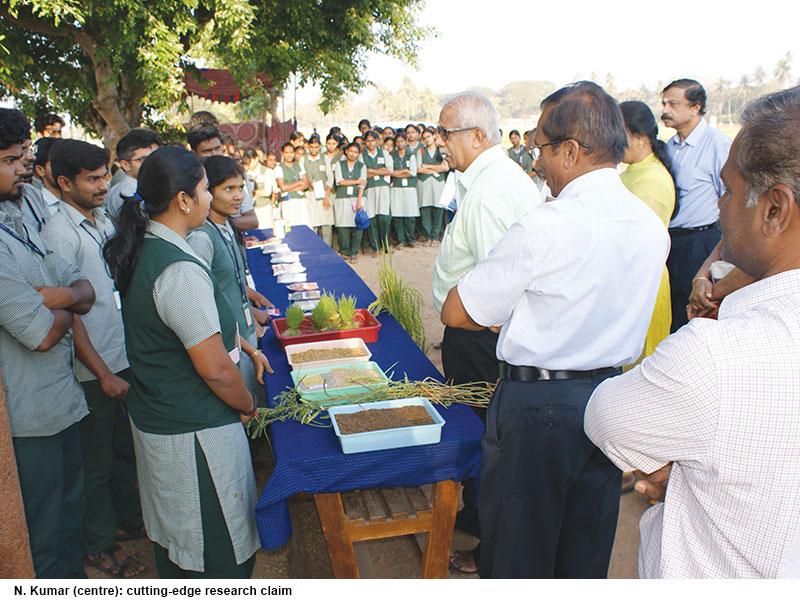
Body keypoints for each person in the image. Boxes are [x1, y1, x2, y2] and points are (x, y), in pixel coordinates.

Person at [441, 82, 668, 578]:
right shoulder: (650, 226)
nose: (536, 160)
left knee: (519, 551)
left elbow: (457, 312)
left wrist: (521, 306)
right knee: (585, 547)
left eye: (541, 148)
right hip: (611, 397)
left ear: (570, 150)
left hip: (537, 407)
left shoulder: (547, 225)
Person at [585, 87, 800, 578]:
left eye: (726, 190)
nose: (719, 209)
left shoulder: (716, 354)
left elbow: (605, 416)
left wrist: (677, 470)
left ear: (775, 210)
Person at [103, 147, 260, 577]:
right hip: (195, 434)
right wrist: (247, 404)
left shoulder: (149, 246)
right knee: (216, 554)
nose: (211, 198)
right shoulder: (178, 269)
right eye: (207, 189)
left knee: (178, 548)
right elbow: (213, 368)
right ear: (184, 201)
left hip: (163, 421)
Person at [432, 91, 540, 575]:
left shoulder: (493, 189)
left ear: (478, 136)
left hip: (480, 337)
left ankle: (489, 533)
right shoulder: (485, 181)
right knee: (484, 434)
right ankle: (479, 514)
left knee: (485, 438)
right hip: (477, 333)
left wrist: (472, 324)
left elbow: (506, 287)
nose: (439, 144)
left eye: (445, 134)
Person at [41, 139, 147, 578]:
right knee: (96, 464)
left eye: (105, 175)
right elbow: (69, 314)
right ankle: (100, 547)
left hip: (120, 353)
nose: (104, 184)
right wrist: (101, 373)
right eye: (93, 179)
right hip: (92, 367)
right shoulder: (57, 233)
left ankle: (126, 522)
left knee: (124, 451)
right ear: (65, 183)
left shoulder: (103, 219)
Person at [0, 108, 96, 578]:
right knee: (41, 534)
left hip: (61, 401)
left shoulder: (18, 213)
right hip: (26, 419)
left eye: (22, 158)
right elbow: (39, 334)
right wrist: (65, 305)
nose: (22, 168)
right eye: (10, 160)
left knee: (70, 515)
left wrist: (53, 301)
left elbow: (83, 288)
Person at [187, 155, 273, 406]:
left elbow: (226, 279)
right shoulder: (202, 238)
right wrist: (247, 343)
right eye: (228, 189)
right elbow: (205, 304)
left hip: (245, 335)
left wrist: (250, 297)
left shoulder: (226, 226)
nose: (238, 196)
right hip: (231, 344)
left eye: (241, 188)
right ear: (207, 192)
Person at [660, 79, 731, 332]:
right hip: (672, 241)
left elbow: (729, 197)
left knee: (696, 309)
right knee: (671, 309)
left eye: (673, 104)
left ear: (695, 107)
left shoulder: (716, 144)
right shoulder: (670, 147)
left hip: (701, 241)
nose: (665, 109)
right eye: (664, 103)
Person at [188, 125, 258, 232]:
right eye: (207, 151)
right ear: (194, 153)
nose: (214, 154)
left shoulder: (231, 178)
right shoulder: (190, 184)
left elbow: (252, 220)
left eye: (217, 149)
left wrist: (223, 222)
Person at [106, 128, 161, 220]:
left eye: (157, 157)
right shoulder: (125, 193)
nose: (154, 163)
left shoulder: (152, 185)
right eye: (144, 160)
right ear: (125, 165)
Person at [331, 142, 367, 263]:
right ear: (346, 151)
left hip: (356, 198)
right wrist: (357, 181)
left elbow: (363, 185)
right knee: (343, 226)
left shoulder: (362, 166)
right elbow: (340, 181)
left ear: (358, 154)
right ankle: (344, 251)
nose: (352, 154)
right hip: (342, 198)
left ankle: (354, 252)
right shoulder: (339, 164)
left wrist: (359, 200)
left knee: (357, 225)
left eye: (355, 152)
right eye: (350, 151)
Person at [416, 127, 449, 246]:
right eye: (424, 138)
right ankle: (428, 236)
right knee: (425, 210)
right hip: (424, 184)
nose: (427, 140)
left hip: (438, 184)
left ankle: (435, 236)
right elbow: (419, 169)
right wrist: (436, 169)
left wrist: (427, 167)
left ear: (434, 136)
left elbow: (445, 167)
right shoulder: (420, 151)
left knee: (437, 210)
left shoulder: (441, 150)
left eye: (429, 137)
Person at [361, 130, 392, 255]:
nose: (370, 143)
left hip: (383, 188)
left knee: (383, 217)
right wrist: (379, 170)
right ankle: (375, 247)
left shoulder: (384, 153)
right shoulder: (361, 156)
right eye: (368, 141)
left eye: (373, 140)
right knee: (372, 218)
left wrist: (372, 171)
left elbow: (390, 171)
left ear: (377, 141)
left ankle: (386, 244)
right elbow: (363, 174)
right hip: (369, 189)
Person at [389, 131, 419, 248]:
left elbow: (413, 172)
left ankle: (410, 239)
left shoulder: (411, 155)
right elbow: (391, 172)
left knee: (410, 214)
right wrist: (404, 171)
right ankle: (400, 240)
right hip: (396, 187)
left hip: (410, 188)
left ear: (406, 142)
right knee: (397, 214)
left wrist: (400, 173)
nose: (400, 143)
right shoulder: (392, 155)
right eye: (398, 141)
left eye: (402, 141)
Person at [303, 135, 334, 245]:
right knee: (313, 225)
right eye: (311, 147)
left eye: (316, 147)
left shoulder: (324, 158)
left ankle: (328, 252)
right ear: (308, 147)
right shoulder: (304, 159)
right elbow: (302, 176)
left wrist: (326, 197)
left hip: (324, 194)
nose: (314, 150)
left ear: (320, 147)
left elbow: (330, 178)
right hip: (310, 195)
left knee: (326, 225)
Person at [274, 142, 311, 227]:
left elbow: (306, 184)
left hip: (301, 200)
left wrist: (290, 188)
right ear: (282, 153)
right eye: (286, 153)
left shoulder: (299, 166)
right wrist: (298, 183)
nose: (289, 155)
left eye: (291, 152)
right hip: (288, 202)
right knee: (291, 226)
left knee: (304, 225)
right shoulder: (279, 168)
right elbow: (283, 187)